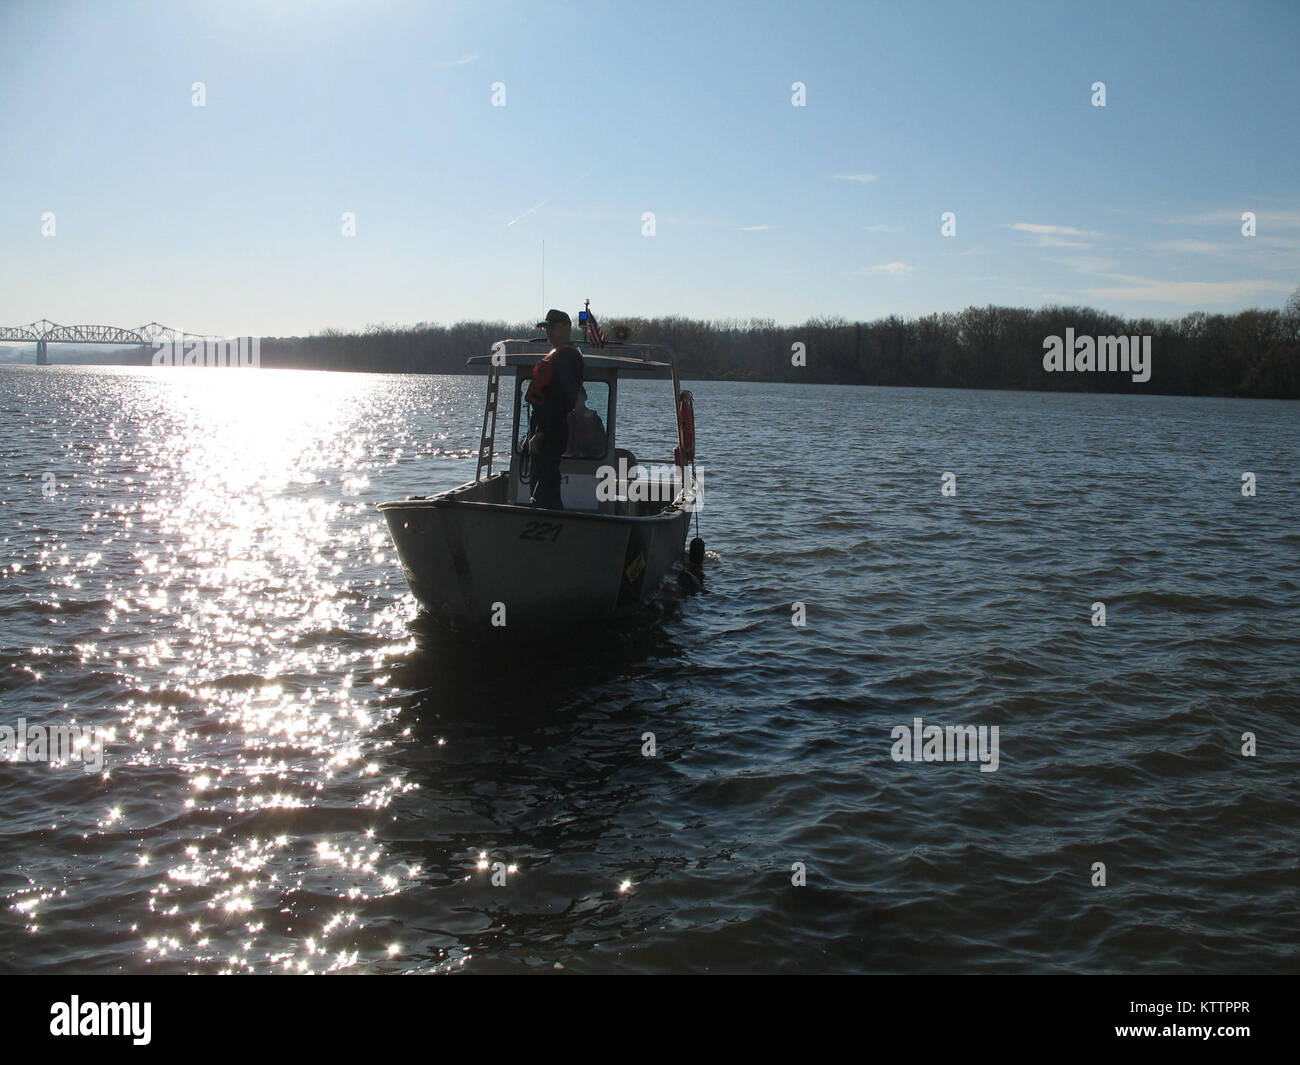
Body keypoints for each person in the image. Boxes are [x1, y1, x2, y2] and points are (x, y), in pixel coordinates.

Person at [525, 309, 584, 508]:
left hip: (552, 427)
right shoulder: (557, 355)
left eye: (551, 327)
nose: (548, 332)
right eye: (545, 328)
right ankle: (543, 509)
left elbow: (559, 400)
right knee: (541, 477)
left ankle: (549, 515)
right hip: (545, 426)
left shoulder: (567, 357)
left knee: (547, 480)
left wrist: (541, 433)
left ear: (566, 328)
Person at [566, 386, 607, 458]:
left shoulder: (594, 419)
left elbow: (601, 445)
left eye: (577, 397)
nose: (575, 399)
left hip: (589, 460)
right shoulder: (566, 418)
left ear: (585, 397)